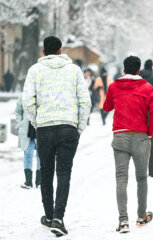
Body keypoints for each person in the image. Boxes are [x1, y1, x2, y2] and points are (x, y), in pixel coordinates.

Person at [22, 36, 91, 237]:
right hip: (68, 128)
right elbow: (84, 102)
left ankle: (49, 215)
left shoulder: (35, 71)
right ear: (61, 50)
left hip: (44, 128)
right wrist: (79, 127)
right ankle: (59, 218)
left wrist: (37, 123)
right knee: (64, 173)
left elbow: (28, 101)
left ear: (43, 52)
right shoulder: (75, 70)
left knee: (46, 173)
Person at [103, 56, 153, 233]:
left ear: (124, 69)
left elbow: (106, 107)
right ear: (139, 70)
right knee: (142, 178)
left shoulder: (114, 87)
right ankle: (141, 216)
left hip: (120, 136)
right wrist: (149, 134)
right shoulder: (148, 88)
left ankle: (123, 220)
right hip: (140, 137)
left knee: (121, 179)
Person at [15, 95, 41, 189]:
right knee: (28, 154)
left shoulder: (43, 94)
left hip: (40, 129)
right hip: (27, 130)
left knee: (41, 155)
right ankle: (28, 181)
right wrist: (20, 123)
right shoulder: (23, 96)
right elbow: (18, 112)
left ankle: (39, 181)